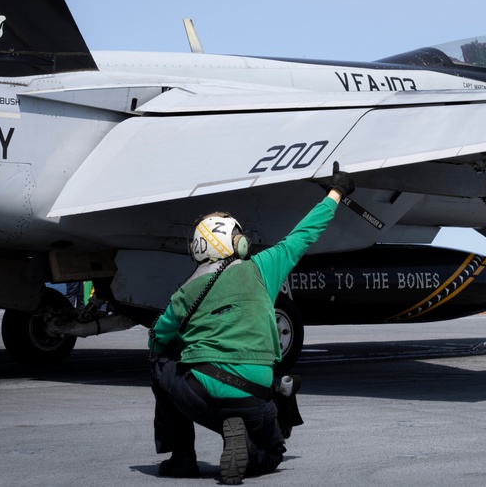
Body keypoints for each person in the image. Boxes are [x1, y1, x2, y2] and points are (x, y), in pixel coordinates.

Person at [149, 163, 355, 483]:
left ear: (197, 250)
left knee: (160, 363)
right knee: (273, 454)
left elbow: (158, 340)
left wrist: (185, 346)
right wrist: (336, 191)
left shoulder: (185, 292)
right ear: (240, 243)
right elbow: (303, 235)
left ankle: (182, 458)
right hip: (255, 395)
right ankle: (248, 445)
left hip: (201, 393)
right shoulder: (262, 268)